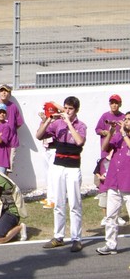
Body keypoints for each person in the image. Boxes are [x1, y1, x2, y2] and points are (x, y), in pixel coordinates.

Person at [37, 96, 87, 252]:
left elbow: (79, 141)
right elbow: (39, 135)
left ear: (76, 110)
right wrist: (47, 120)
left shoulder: (81, 125)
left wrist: (69, 124)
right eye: (65, 108)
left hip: (73, 168)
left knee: (74, 204)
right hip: (58, 166)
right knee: (59, 203)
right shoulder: (57, 124)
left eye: (70, 109)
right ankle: (58, 236)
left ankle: (76, 238)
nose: (67, 111)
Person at [96, 112, 130, 255]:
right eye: (125, 119)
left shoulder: (124, 137)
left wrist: (123, 134)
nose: (126, 122)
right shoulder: (118, 136)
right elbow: (105, 148)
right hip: (114, 181)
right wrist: (111, 131)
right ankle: (110, 244)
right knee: (111, 216)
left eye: (129, 120)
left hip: (128, 183)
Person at [0, 84, 24, 172]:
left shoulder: (13, 107)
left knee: (8, 169)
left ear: (9, 94)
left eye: (6, 91)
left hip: (11, 144)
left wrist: (9, 132)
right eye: (1, 91)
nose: (3, 93)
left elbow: (19, 123)